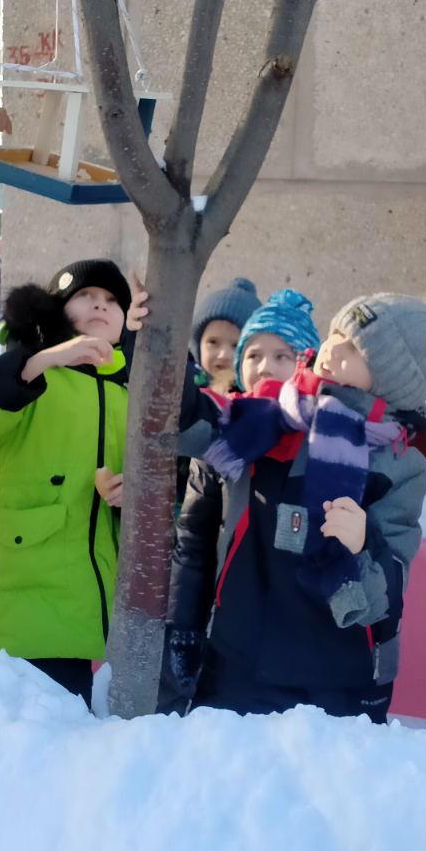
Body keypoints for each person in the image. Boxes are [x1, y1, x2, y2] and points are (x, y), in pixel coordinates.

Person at [181, 280, 426, 722]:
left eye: (354, 349)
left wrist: (363, 544)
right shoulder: (276, 417)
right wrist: (149, 339)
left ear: (391, 376)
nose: (331, 350)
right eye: (336, 335)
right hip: (237, 665)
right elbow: (193, 423)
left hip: (333, 683)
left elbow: (387, 596)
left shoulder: (400, 466)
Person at [0, 260, 134, 705]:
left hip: (100, 611)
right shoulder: (30, 375)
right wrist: (42, 359)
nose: (100, 306)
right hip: (27, 604)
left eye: (112, 300)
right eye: (85, 295)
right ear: (55, 309)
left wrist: (129, 496)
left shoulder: (129, 396)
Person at [161, 286, 321, 713]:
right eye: (253, 355)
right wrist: (183, 628)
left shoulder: (328, 441)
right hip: (228, 643)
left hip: (303, 652)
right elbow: (193, 546)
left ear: (306, 363)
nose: (265, 366)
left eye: (283, 355)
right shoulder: (223, 440)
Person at [191, 277, 262, 393]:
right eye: (213, 342)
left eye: (236, 346)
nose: (223, 355)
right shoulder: (184, 385)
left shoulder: (258, 398)